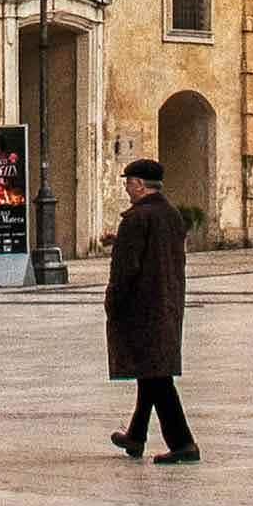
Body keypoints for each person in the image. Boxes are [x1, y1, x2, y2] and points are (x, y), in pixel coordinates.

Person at [104, 158, 198, 465]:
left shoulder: (136, 219)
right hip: (167, 302)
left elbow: (127, 269)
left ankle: (183, 443)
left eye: (128, 183)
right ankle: (136, 435)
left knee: (158, 379)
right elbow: (156, 251)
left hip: (142, 307)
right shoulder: (170, 215)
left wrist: (113, 302)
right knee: (151, 371)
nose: (126, 188)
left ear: (141, 185)